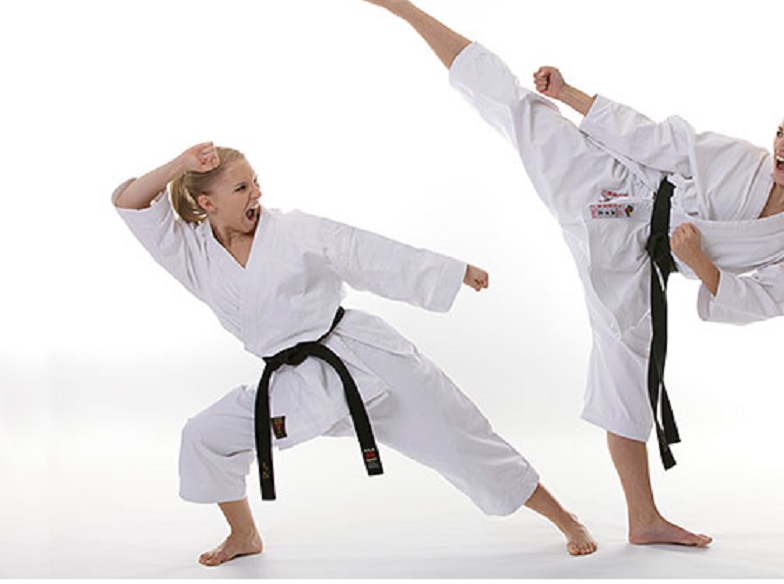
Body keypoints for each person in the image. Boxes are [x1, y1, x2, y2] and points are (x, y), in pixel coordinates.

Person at [330, 0, 784, 548]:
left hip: (637, 266)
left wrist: (700, 263)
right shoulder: (743, 160)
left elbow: (772, 299)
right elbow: (656, 139)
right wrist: (570, 94)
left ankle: (643, 519)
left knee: (627, 376)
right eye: (780, 131)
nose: (780, 144)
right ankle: (401, 4)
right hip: (612, 188)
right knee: (517, 107)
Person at [112, 142, 597, 565]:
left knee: (461, 436)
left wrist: (452, 272)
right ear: (207, 203)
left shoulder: (293, 230)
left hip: (367, 363)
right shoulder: (191, 250)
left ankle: (565, 518)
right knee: (206, 435)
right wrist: (180, 163)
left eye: (255, 181)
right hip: (294, 385)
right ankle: (245, 535)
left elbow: (365, 251)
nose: (257, 193)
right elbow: (128, 200)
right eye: (241, 188)